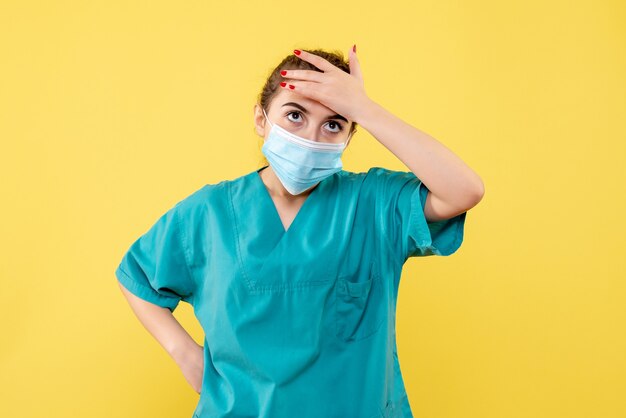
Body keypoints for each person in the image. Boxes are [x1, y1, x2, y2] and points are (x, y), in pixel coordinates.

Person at [115, 46, 484, 418]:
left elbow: (464, 190)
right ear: (261, 120)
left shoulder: (374, 205)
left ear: (350, 135)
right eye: (295, 115)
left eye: (333, 124)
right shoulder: (209, 212)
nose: (311, 137)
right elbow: (137, 277)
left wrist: (366, 109)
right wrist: (186, 355)